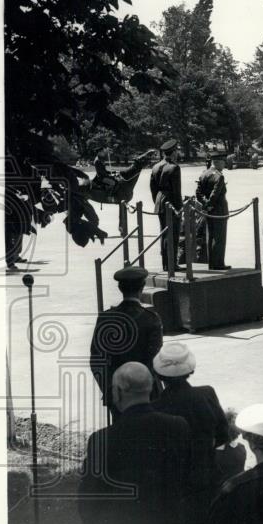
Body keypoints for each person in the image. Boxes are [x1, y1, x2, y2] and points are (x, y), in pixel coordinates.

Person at [78, 363, 190, 524]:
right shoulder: (178, 427)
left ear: (117, 392)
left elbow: (88, 498)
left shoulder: (102, 440)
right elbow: (185, 477)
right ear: (151, 388)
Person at [151, 341, 229, 524]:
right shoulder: (206, 394)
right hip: (206, 473)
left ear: (160, 373)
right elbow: (224, 434)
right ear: (189, 370)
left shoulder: (156, 407)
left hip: (175, 481)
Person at [89, 266, 164, 421]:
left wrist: (110, 390)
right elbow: (155, 361)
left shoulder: (106, 318)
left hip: (119, 394)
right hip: (147, 396)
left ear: (120, 288)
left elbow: (96, 360)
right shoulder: (150, 319)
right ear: (142, 288)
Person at [149, 138, 183, 271]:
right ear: (173, 152)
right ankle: (171, 264)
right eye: (176, 151)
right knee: (172, 235)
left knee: (164, 234)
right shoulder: (174, 168)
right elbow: (176, 191)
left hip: (160, 202)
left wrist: (158, 202)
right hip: (171, 204)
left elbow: (153, 189)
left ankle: (165, 264)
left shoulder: (156, 166)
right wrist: (179, 208)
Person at [196, 153, 228, 270]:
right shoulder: (219, 176)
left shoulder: (204, 174)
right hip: (219, 210)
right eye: (223, 162)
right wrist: (210, 204)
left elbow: (198, 193)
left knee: (210, 236)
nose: (224, 165)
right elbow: (215, 194)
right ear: (219, 162)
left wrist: (206, 204)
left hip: (208, 211)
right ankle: (218, 264)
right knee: (219, 237)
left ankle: (211, 263)